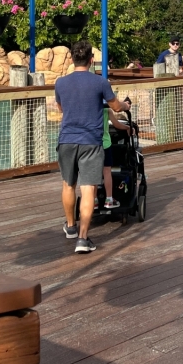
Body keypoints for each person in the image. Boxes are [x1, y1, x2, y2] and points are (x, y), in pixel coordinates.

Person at [54, 39, 131, 254]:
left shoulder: (60, 82)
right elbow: (115, 105)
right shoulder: (100, 82)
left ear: (72, 59)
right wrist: (125, 105)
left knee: (68, 184)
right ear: (91, 59)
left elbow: (61, 108)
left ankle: (70, 226)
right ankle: (83, 238)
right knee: (88, 189)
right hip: (91, 141)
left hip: (67, 139)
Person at [100, 105, 132, 210]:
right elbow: (116, 124)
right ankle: (109, 199)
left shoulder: (89, 108)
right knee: (107, 171)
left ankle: (94, 200)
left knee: (94, 173)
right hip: (105, 144)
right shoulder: (107, 109)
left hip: (92, 144)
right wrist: (127, 127)